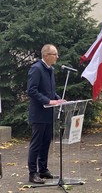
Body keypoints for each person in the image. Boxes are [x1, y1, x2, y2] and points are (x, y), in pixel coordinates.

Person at [27, 44, 64, 184]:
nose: (57, 57)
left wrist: (58, 99)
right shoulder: (36, 69)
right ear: (46, 55)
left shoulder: (50, 69)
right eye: (54, 54)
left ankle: (43, 169)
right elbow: (31, 90)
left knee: (46, 142)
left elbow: (50, 91)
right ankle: (32, 173)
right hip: (39, 113)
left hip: (49, 113)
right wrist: (49, 100)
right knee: (36, 143)